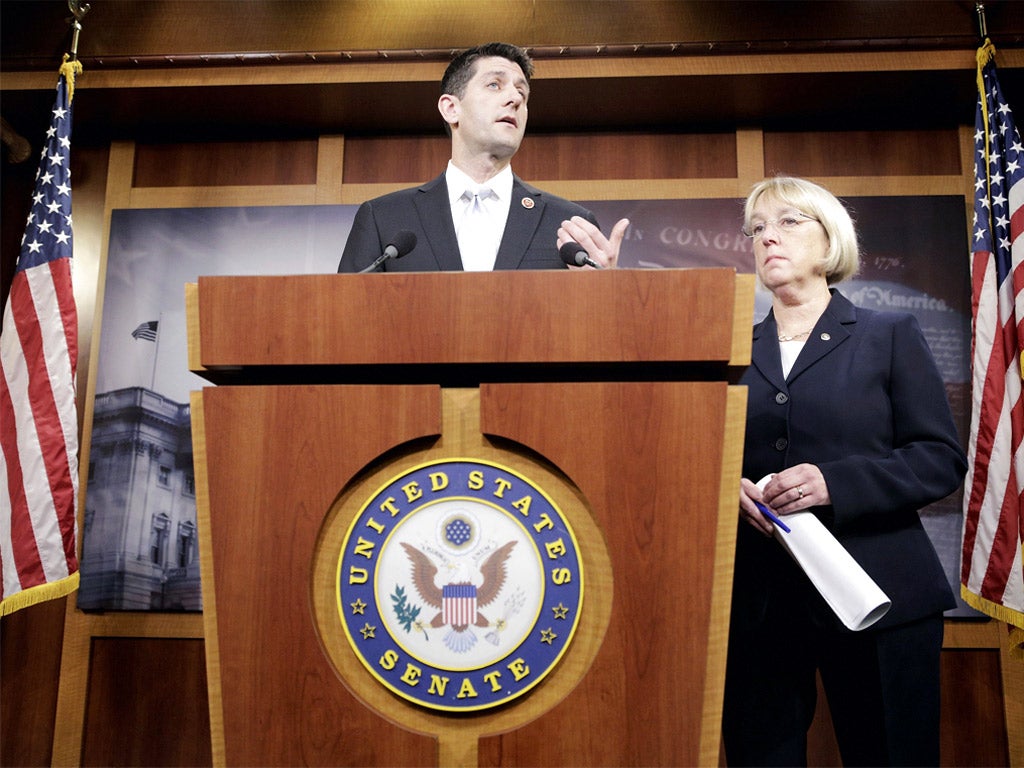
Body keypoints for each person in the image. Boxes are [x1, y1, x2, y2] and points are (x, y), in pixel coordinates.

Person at [723, 176, 967, 767]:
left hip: (877, 587)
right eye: (757, 229)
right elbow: (702, 449)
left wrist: (837, 483)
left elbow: (940, 459)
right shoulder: (731, 349)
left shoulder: (889, 336)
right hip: (759, 603)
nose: (767, 238)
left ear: (829, 241)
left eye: (787, 223)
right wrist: (725, 486)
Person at [337, 42, 628, 273]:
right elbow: (345, 322)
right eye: (494, 85)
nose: (514, 98)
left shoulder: (568, 225)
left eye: (522, 93)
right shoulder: (385, 220)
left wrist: (605, 291)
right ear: (451, 108)